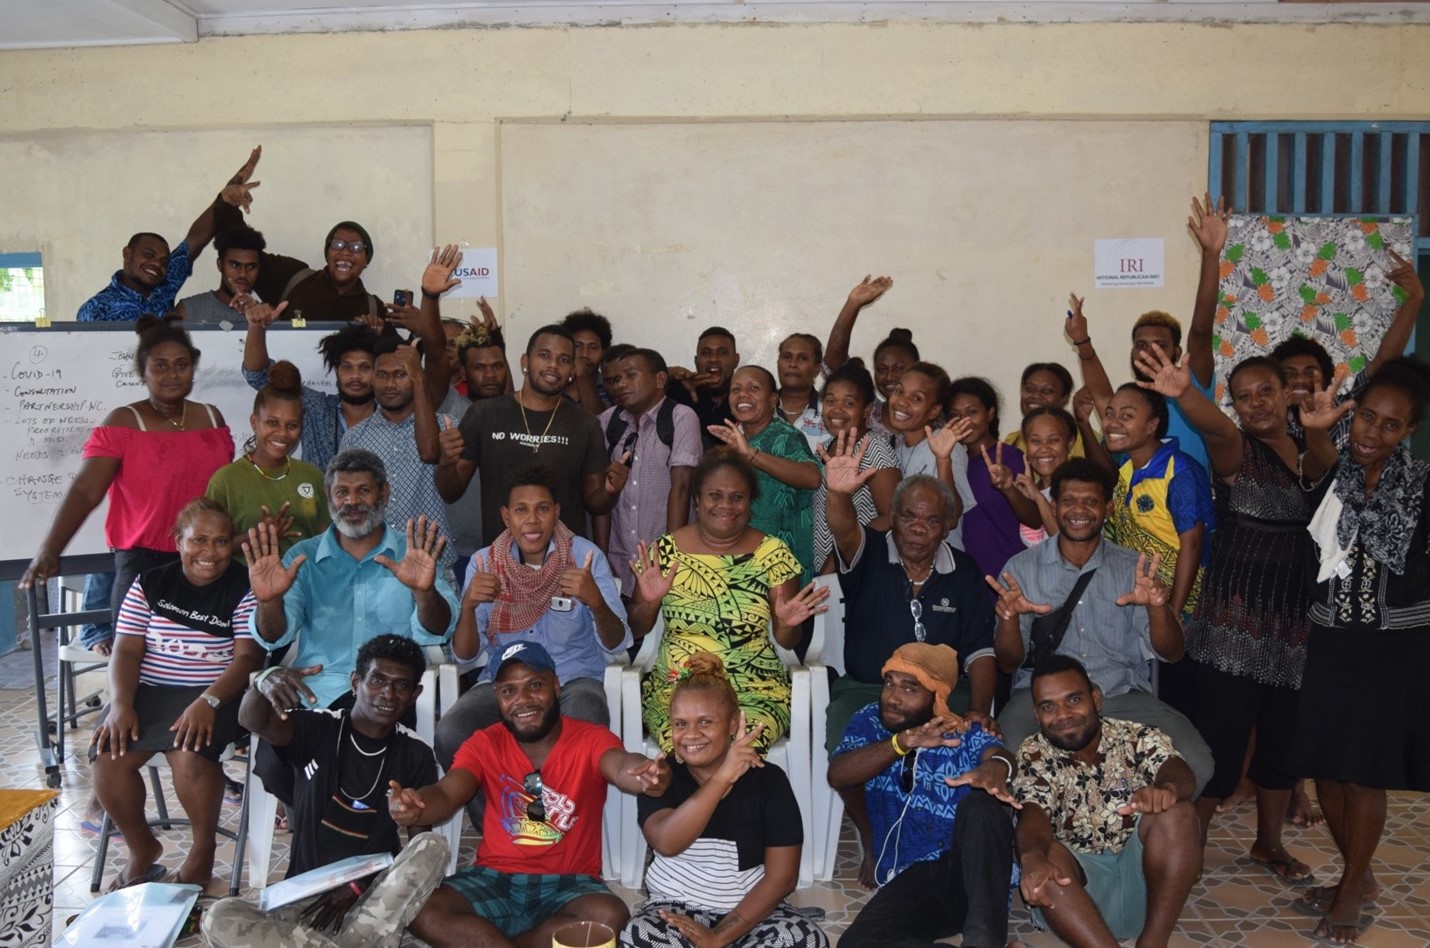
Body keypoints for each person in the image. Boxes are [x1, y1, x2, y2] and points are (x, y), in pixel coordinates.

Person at [1136, 347, 1342, 882]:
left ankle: (1267, 844)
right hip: (1231, 623)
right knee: (1221, 740)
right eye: (1243, 397)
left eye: (1265, 392)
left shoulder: (1309, 447)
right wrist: (1185, 394)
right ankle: (1194, 843)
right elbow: (1218, 431)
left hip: (1296, 623)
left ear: (1287, 393)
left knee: (1282, 739)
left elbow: (1324, 467)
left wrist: (1316, 429)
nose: (1255, 405)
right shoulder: (1236, 452)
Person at [388, 642, 673, 948]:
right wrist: (418, 807)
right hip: (494, 878)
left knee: (607, 916)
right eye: (509, 691)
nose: (522, 700)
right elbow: (446, 794)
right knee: (419, 909)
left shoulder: (589, 738)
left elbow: (620, 765)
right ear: (497, 697)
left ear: (556, 687)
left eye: (534, 685)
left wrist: (644, 775)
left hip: (570, 884)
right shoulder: (484, 743)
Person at [1284, 358, 1430, 944]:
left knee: (1363, 774)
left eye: (1390, 426)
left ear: (1409, 432)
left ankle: (1350, 892)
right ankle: (1358, 877)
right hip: (1333, 641)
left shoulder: (1422, 488)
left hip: (1391, 650)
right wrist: (1317, 428)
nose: (1373, 433)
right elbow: (1321, 454)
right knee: (1327, 770)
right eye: (1367, 417)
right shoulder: (1339, 472)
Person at [202, 635, 448, 948]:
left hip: (371, 901)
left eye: (401, 685)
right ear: (356, 682)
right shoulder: (318, 727)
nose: (388, 693)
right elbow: (252, 719)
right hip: (302, 897)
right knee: (219, 916)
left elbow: (417, 843)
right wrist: (264, 682)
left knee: (433, 845)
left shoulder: (416, 753)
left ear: (415, 694)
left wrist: (360, 885)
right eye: (378, 680)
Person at [989, 458, 1213, 792]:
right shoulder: (1021, 568)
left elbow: (1172, 653)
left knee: (1196, 762)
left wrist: (1157, 608)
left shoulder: (1132, 567)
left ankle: (1138, 835)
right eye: (1068, 501)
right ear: (1053, 505)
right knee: (1006, 762)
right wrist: (1008, 620)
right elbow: (1008, 663)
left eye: (1091, 501)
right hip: (1044, 699)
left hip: (1119, 694)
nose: (1079, 510)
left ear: (1107, 508)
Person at [435, 468, 631, 822]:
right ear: (506, 516)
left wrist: (596, 602)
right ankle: (503, 826)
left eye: (542, 508)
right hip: (506, 682)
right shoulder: (485, 563)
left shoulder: (585, 557)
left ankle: (562, 829)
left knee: (586, 716)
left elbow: (617, 643)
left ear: (557, 512)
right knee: (453, 731)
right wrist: (467, 607)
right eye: (521, 510)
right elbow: (465, 654)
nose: (532, 520)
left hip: (573, 679)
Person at [89, 499, 262, 889]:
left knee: (188, 755)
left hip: (217, 692)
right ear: (178, 541)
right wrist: (120, 706)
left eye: (220, 541)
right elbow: (127, 650)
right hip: (151, 691)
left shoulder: (244, 585)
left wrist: (209, 701)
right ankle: (142, 849)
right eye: (198, 540)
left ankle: (203, 852)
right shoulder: (151, 582)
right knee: (107, 758)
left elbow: (248, 656)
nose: (210, 552)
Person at [20, 319, 233, 617]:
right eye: (160, 366)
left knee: (205, 658)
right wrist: (49, 550)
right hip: (144, 566)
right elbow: (84, 491)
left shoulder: (212, 419)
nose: (172, 374)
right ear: (142, 373)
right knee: (135, 658)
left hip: (207, 561)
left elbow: (226, 490)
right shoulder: (123, 422)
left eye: (181, 364)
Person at [628, 449, 829, 753]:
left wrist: (787, 624)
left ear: (750, 502)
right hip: (679, 686)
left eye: (737, 497)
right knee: (691, 742)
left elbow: (787, 642)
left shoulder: (773, 554)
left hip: (752, 687)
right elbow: (636, 628)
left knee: (737, 746)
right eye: (715, 495)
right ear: (697, 499)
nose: (726, 505)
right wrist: (650, 603)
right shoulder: (664, 551)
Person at [623, 652, 828, 948]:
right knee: (639, 935)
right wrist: (722, 779)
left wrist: (719, 936)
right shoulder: (662, 776)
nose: (691, 735)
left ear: (733, 723)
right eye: (680, 724)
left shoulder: (769, 781)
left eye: (705, 721)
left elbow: (782, 878)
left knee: (805, 939)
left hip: (751, 913)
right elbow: (667, 842)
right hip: (675, 910)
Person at [829, 643, 1017, 948]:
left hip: (970, 878)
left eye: (909, 688)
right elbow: (839, 774)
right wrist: (900, 743)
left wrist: (997, 767)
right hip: (916, 880)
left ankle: (985, 942)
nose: (892, 697)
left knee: (981, 804)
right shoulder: (869, 722)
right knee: (857, 943)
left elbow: (1002, 756)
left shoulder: (963, 733)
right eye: (889, 683)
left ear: (936, 697)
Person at [243, 449, 458, 712]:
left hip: (388, 696)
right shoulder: (303, 558)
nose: (352, 501)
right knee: (266, 735)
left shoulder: (412, 553)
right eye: (342, 492)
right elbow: (273, 637)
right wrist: (269, 601)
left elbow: (440, 629)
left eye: (364, 491)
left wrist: (423, 592)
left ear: (384, 493)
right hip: (316, 694)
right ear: (328, 496)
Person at [1012, 656, 1201, 947]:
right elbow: (1033, 812)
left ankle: (1153, 942)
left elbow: (1177, 770)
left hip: (1148, 891)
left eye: (1073, 699)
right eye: (1048, 706)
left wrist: (1167, 788)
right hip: (1075, 904)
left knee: (1179, 812)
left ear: (1096, 699)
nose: (1063, 715)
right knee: (1045, 856)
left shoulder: (1135, 736)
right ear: (1037, 716)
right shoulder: (1033, 753)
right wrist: (1032, 858)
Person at [241, 245, 462, 471]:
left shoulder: (398, 409)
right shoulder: (316, 408)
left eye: (365, 367)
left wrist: (429, 300)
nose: (355, 375)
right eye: (346, 367)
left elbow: (436, 363)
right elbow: (257, 376)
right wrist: (256, 327)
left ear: (377, 372)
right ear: (335, 370)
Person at [1065, 193, 1225, 474]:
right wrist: (1081, 340)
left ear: (1177, 353)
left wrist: (1211, 256)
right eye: (1141, 344)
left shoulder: (1193, 387)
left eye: (1159, 345)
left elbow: (1200, 330)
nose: (1149, 351)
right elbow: (1102, 393)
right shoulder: (1126, 404)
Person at [436, 324, 626, 546]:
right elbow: (451, 491)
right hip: (502, 561)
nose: (553, 365)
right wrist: (446, 462)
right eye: (544, 355)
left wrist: (611, 491)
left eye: (564, 360)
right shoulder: (485, 413)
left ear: (573, 371)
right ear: (525, 362)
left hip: (565, 562)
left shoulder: (586, 423)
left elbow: (596, 503)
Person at [77, 147, 260, 322]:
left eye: (164, 261)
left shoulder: (165, 282)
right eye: (148, 255)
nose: (157, 263)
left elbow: (196, 237)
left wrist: (224, 198)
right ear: (127, 254)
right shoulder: (95, 309)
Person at [1273, 247, 1424, 444]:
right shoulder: (1266, 426)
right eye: (1290, 373)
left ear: (1326, 379)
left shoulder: (1346, 411)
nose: (1300, 380)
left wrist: (1414, 300)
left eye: (1311, 373)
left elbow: (1383, 362)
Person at [340, 336, 457, 574]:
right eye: (382, 375)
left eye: (401, 374)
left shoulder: (446, 426)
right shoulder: (354, 439)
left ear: (416, 377)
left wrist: (420, 377)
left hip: (433, 564)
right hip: (374, 566)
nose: (390, 384)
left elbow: (436, 460)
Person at [1101, 383, 1213, 620]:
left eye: (1127, 416)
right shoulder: (1127, 466)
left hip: (1187, 606)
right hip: (1145, 598)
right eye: (1109, 413)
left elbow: (1192, 545)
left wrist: (1173, 612)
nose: (1113, 422)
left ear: (1152, 425)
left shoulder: (1179, 472)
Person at [598, 347, 702, 598]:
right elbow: (599, 493)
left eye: (630, 376)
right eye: (616, 379)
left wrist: (668, 556)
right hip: (617, 564)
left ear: (659, 379)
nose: (621, 384)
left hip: (666, 564)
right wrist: (601, 559)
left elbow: (682, 487)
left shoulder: (681, 417)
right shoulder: (607, 421)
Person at [707, 365, 820, 585]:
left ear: (773, 399)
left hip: (782, 571)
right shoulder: (736, 440)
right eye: (736, 390)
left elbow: (813, 477)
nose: (743, 395)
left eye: (753, 388)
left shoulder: (785, 436)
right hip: (744, 565)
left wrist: (751, 455)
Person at [206, 360, 331, 558]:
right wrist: (257, 536)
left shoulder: (312, 475)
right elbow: (210, 548)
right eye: (272, 423)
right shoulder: (225, 481)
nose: (282, 434)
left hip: (305, 583)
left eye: (292, 425)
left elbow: (326, 539)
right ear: (254, 422)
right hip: (244, 584)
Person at [946, 376, 1043, 580]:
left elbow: (1034, 519)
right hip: (970, 576)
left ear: (990, 413)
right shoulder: (954, 462)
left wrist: (1008, 488)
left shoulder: (1010, 457)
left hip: (1011, 571)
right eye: (955, 415)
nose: (964, 421)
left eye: (972, 412)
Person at [439, 309, 510, 578]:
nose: (490, 375)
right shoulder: (452, 407)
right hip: (462, 551)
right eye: (479, 368)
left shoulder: (521, 412)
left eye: (497, 366)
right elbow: (435, 360)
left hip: (511, 548)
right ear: (464, 372)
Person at [810, 359, 899, 574]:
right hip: (824, 572)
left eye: (848, 403)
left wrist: (841, 551)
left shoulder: (874, 449)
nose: (836, 410)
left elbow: (892, 516)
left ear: (866, 409)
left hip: (858, 569)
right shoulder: (826, 448)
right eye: (830, 401)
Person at [883, 363, 972, 547]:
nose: (901, 401)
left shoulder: (946, 446)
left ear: (934, 410)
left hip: (941, 563)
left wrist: (943, 460)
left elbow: (952, 518)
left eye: (916, 398)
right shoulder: (895, 446)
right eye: (899, 391)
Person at [822, 275, 919, 438]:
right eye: (881, 369)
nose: (889, 377)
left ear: (916, 369)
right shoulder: (868, 412)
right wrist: (853, 304)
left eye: (899, 369)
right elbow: (834, 366)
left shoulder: (933, 419)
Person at [1010, 406, 1079, 544]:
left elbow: (1066, 544)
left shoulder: (1080, 487)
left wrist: (1038, 498)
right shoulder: (1029, 488)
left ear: (1070, 443)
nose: (1044, 448)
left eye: (1053, 440)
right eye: (1035, 441)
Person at [171, 223, 266, 323]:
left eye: (251, 267)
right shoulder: (189, 310)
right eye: (235, 265)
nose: (243, 274)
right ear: (220, 265)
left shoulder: (265, 317)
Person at [665, 326, 740, 450]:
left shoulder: (745, 399)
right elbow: (641, 383)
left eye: (722, 352)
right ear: (696, 360)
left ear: (736, 360)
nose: (714, 358)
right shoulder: (676, 391)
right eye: (706, 353)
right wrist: (675, 372)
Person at [1003, 362, 1086, 458]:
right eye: (1029, 389)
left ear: (1064, 398)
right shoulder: (1013, 440)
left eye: (1047, 391)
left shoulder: (1084, 440)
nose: (1036, 395)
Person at [775, 332, 830, 450]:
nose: (793, 364)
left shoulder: (830, 412)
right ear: (778, 363)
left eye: (803, 358)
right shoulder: (760, 408)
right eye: (787, 356)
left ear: (817, 369)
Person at [561, 307, 614, 412]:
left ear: (603, 353)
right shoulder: (552, 381)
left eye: (593, 348)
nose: (585, 354)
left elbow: (602, 425)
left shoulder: (611, 386)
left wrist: (582, 377)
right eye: (577, 346)